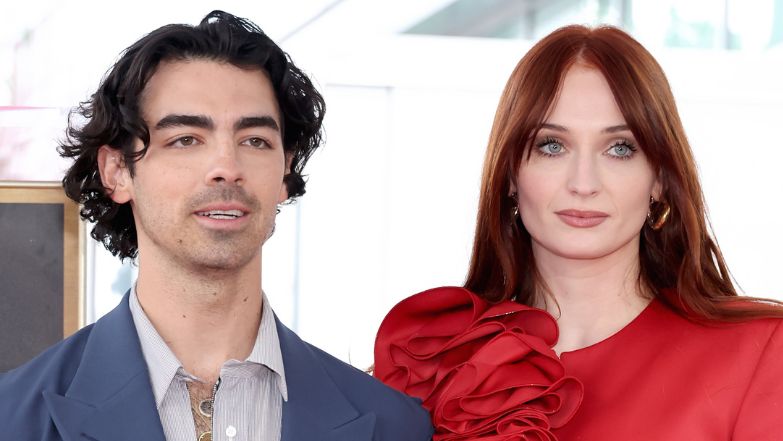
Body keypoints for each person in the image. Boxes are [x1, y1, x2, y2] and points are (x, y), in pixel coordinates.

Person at [0, 11, 432, 441]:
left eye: (255, 141)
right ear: (117, 171)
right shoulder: (12, 418)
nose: (227, 167)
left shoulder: (395, 426)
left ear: (285, 171)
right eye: (186, 139)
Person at [374, 24, 783, 440]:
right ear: (511, 173)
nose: (584, 183)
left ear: (660, 178)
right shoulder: (430, 362)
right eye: (552, 145)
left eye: (620, 148)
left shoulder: (761, 353)